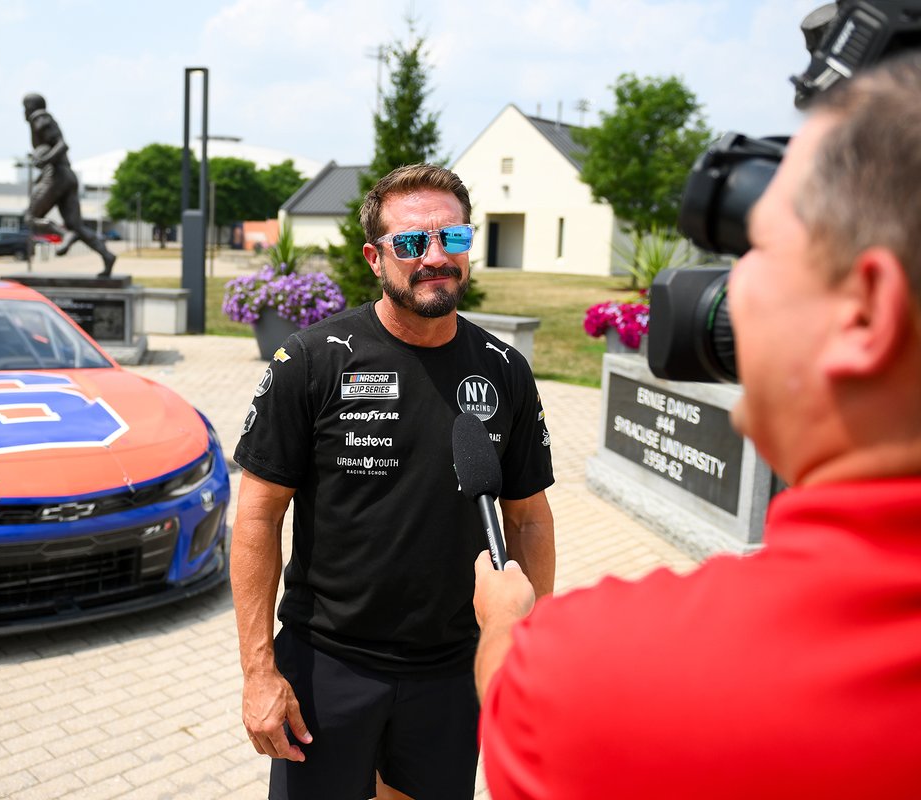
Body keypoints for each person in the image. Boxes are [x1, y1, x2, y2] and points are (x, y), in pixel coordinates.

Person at [473, 53, 921, 799]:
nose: (729, 286)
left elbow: (518, 683)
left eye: (758, 249)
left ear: (866, 314)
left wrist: (505, 624)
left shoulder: (590, 677)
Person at [231, 163, 555, 800]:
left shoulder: (505, 371)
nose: (435, 257)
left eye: (452, 239)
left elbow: (529, 519)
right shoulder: (312, 361)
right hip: (328, 666)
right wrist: (258, 671)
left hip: (450, 671)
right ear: (375, 258)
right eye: (410, 243)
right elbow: (257, 518)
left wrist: (525, 646)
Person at [21, 93, 117, 278]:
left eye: (25, 107)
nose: (24, 112)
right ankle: (107, 256)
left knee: (30, 217)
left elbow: (62, 145)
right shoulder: (43, 119)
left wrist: (45, 161)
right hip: (67, 175)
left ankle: (63, 234)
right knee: (77, 226)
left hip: (57, 176)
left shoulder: (39, 119)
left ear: (30, 107)